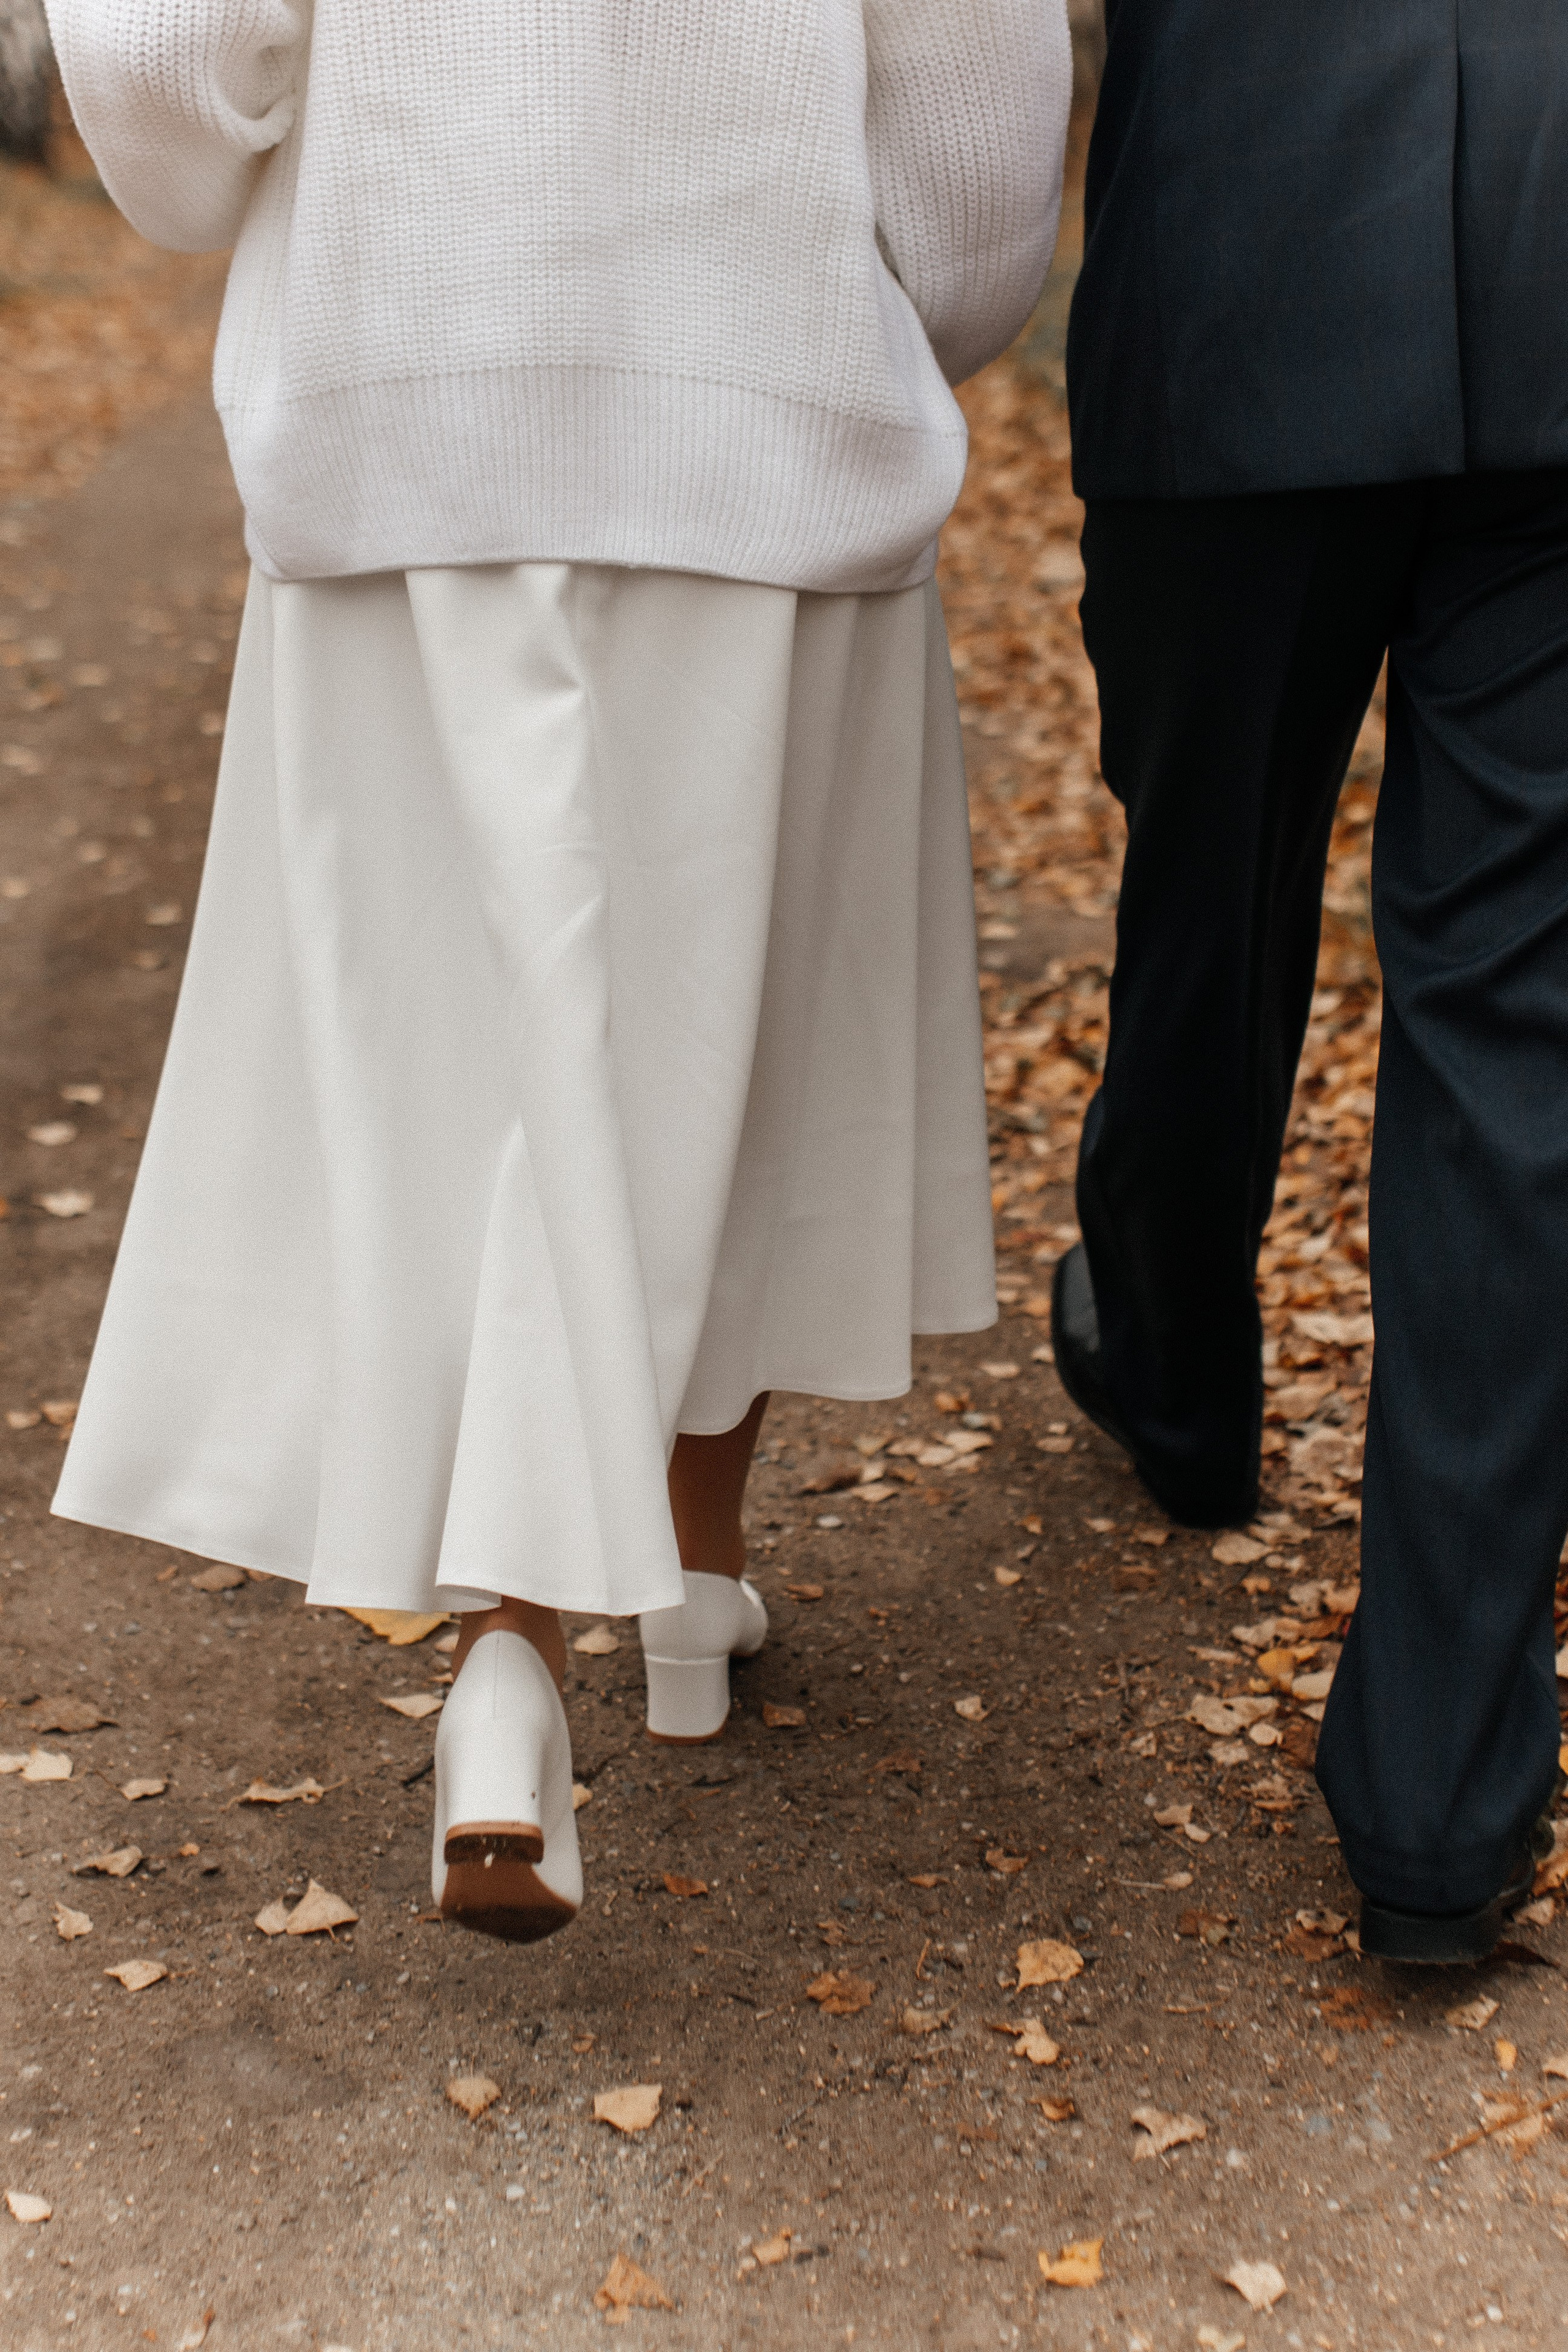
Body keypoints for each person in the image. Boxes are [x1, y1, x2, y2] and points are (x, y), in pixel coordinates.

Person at [47, 0, 1072, 1944]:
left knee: (471, 1042)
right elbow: (972, 150)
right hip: (759, 400)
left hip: (409, 387)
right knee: (725, 1018)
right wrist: (832, 301)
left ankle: (542, 1639)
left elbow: (170, 75)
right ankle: (658, 1581)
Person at [1051, 0, 1568, 1962]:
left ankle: (1179, 1383)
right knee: (1516, 1019)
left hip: (1246, 248)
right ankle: (1441, 1802)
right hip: (1551, 235)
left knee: (1211, 902)